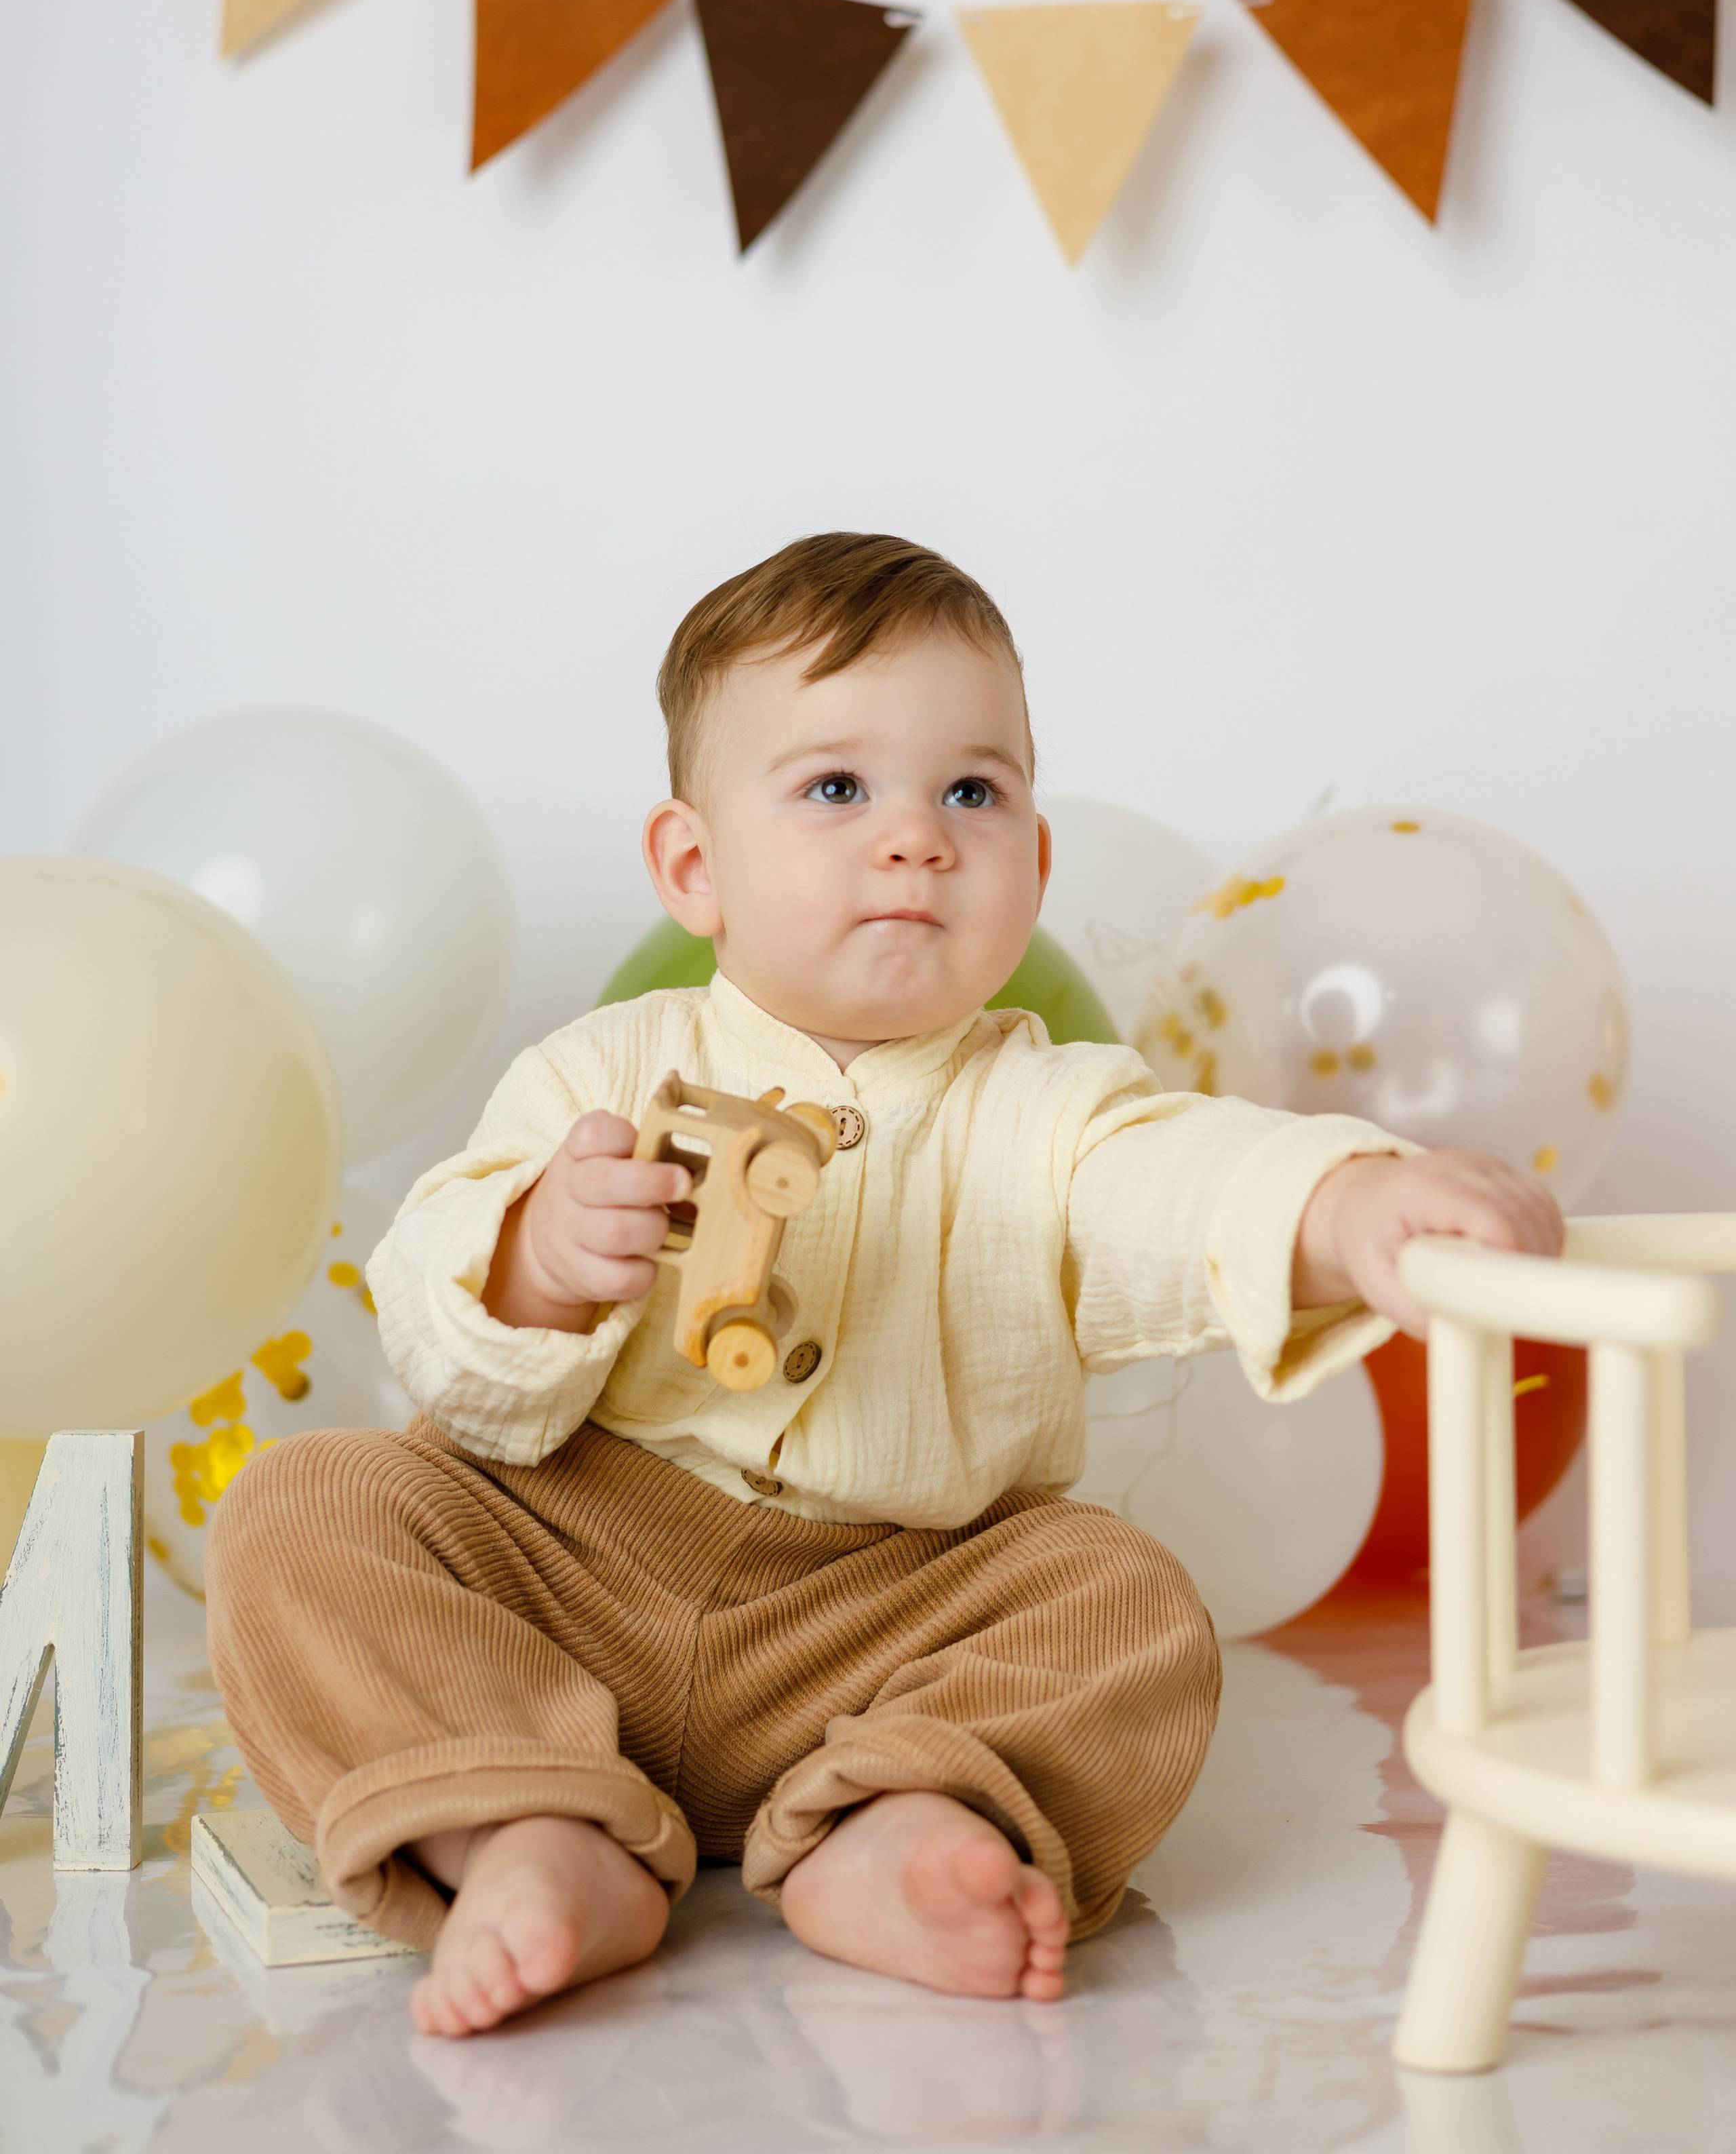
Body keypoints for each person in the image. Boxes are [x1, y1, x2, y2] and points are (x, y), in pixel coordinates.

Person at [206, 531, 1561, 2039]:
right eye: (837, 789)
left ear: (1034, 868)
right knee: (307, 1507)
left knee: (1120, 1600)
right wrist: (536, 1260)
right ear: (694, 867)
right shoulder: (604, 1073)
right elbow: (443, 1347)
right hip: (567, 1570)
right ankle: (526, 1826)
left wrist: (1348, 1199)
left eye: (970, 793)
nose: (915, 838)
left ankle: (897, 1822)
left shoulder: (1046, 1113)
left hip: (890, 1612)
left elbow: (1187, 1181)